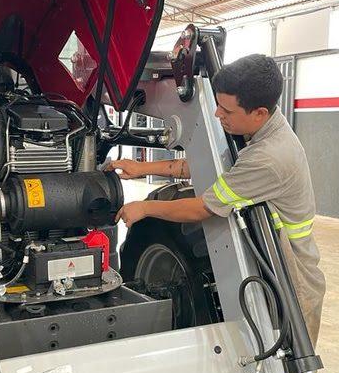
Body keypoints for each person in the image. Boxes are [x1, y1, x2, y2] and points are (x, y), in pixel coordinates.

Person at [107, 54, 326, 348]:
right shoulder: (258, 129)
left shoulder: (269, 157)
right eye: (218, 105)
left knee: (283, 359)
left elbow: (202, 208)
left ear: (259, 113)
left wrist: (144, 208)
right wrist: (141, 168)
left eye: (227, 110)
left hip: (291, 276)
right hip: (269, 256)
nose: (217, 114)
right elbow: (208, 168)